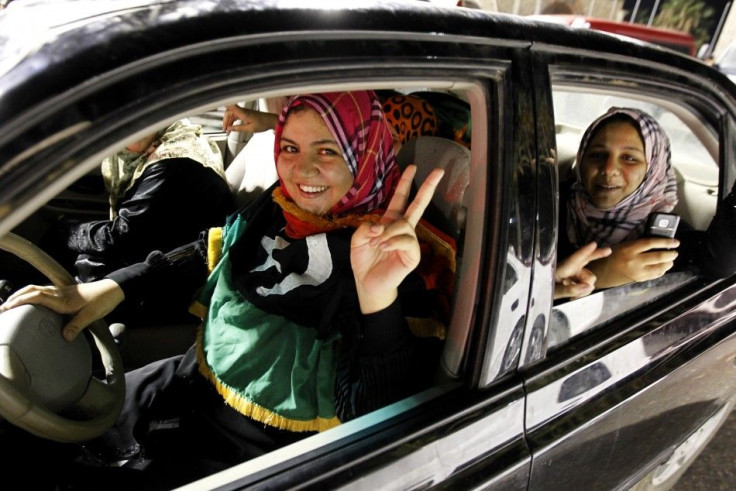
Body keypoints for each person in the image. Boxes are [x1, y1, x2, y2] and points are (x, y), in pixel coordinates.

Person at [1, 91, 456, 486]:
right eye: (291, 147)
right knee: (37, 434)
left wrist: (377, 297)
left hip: (257, 452)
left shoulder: (391, 261)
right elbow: (209, 251)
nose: (302, 170)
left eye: (329, 151)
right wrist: (110, 288)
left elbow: (374, 420)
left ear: (366, 155)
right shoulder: (278, 206)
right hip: (192, 384)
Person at [55, 120, 234, 326]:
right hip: (168, 243)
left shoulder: (170, 162)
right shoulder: (172, 134)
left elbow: (121, 236)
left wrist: (66, 231)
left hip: (182, 279)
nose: (125, 137)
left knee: (85, 263)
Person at [559, 106, 736, 292]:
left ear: (654, 170)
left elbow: (721, 262)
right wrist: (600, 271)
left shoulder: (665, 238)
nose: (609, 169)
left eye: (629, 158)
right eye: (597, 155)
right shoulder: (547, 207)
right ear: (581, 159)